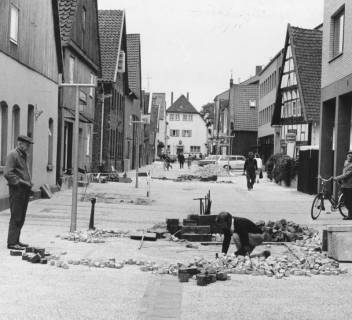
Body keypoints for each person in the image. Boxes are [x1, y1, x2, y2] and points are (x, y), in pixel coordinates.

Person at [4, 135, 34, 250]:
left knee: (21, 217)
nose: (28, 148)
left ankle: (16, 240)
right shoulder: (13, 155)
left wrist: (28, 183)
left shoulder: (23, 155)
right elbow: (7, 173)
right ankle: (12, 243)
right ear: (20, 144)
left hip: (24, 190)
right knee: (16, 216)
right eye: (27, 145)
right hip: (17, 190)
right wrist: (22, 182)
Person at [334, 150, 352, 220]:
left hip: (349, 186)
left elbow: (346, 175)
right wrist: (340, 180)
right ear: (347, 156)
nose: (350, 157)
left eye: (351, 156)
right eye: (349, 156)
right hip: (344, 185)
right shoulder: (346, 163)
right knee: (346, 201)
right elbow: (344, 173)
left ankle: (350, 216)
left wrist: (336, 178)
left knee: (348, 201)